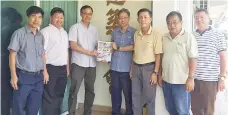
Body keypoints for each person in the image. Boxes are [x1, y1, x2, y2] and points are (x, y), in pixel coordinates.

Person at [8, 6, 49, 115]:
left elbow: (42, 55)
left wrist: (45, 71)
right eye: (33, 16)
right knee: (19, 108)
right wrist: (13, 76)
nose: (37, 20)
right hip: (23, 77)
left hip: (38, 77)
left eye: (40, 17)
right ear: (27, 17)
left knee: (34, 108)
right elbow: (12, 55)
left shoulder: (41, 36)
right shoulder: (19, 34)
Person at [158, 11, 198, 115]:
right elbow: (162, 58)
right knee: (170, 109)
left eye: (175, 22)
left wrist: (191, 78)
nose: (172, 25)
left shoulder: (188, 37)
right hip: (166, 81)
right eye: (169, 23)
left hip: (182, 83)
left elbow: (193, 58)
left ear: (181, 22)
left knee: (182, 111)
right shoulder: (164, 38)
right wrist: (160, 75)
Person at [191, 8, 227, 115]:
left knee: (208, 109)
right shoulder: (192, 36)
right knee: (195, 109)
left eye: (202, 17)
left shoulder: (218, 35)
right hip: (194, 79)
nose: (199, 20)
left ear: (208, 18)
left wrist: (222, 77)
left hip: (210, 81)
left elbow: (223, 57)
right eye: (196, 18)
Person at [68, 5, 99, 115]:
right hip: (78, 64)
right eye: (85, 13)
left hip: (92, 65)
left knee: (90, 91)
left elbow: (97, 46)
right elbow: (73, 46)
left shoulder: (94, 29)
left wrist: (104, 55)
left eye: (90, 14)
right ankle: (71, 112)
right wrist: (89, 52)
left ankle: (87, 112)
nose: (87, 16)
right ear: (81, 14)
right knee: (74, 90)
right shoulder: (74, 27)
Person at [131, 8, 162, 115]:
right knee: (135, 97)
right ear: (138, 19)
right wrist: (131, 69)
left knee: (150, 99)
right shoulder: (136, 34)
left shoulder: (156, 34)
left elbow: (158, 55)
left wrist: (155, 73)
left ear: (150, 19)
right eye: (141, 17)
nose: (143, 19)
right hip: (136, 68)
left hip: (149, 69)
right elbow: (134, 53)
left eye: (145, 17)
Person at [41, 7, 69, 115]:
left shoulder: (64, 32)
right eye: (56, 17)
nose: (59, 20)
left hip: (62, 69)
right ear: (51, 18)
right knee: (49, 95)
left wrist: (67, 69)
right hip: (50, 68)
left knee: (59, 94)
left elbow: (66, 52)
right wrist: (44, 71)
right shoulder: (45, 31)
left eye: (61, 17)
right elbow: (42, 52)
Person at [109, 8, 136, 115]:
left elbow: (134, 47)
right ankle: (116, 113)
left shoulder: (134, 32)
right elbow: (112, 47)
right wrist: (105, 55)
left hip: (127, 70)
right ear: (117, 19)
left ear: (129, 18)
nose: (122, 20)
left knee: (128, 95)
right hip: (114, 68)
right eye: (120, 18)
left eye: (125, 18)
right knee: (115, 95)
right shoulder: (114, 32)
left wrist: (119, 48)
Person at [1, 7, 22, 115]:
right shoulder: (19, 29)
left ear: (7, 17)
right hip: (17, 64)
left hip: (6, 63)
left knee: (5, 92)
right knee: (14, 91)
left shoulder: (7, 29)